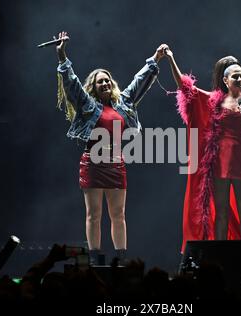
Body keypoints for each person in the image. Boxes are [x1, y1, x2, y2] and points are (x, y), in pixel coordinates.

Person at [54, 31, 167, 263]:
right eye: (100, 81)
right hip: (93, 162)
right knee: (93, 215)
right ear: (94, 87)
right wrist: (62, 55)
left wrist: (155, 59)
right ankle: (96, 258)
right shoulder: (87, 104)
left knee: (118, 214)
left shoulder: (123, 103)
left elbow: (140, 81)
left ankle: (121, 258)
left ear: (112, 83)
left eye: (107, 80)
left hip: (116, 162)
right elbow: (71, 83)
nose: (104, 83)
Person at [164, 47, 241, 252]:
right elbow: (186, 88)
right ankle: (220, 254)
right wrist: (171, 59)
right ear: (226, 80)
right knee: (222, 211)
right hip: (220, 164)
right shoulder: (213, 101)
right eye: (236, 76)